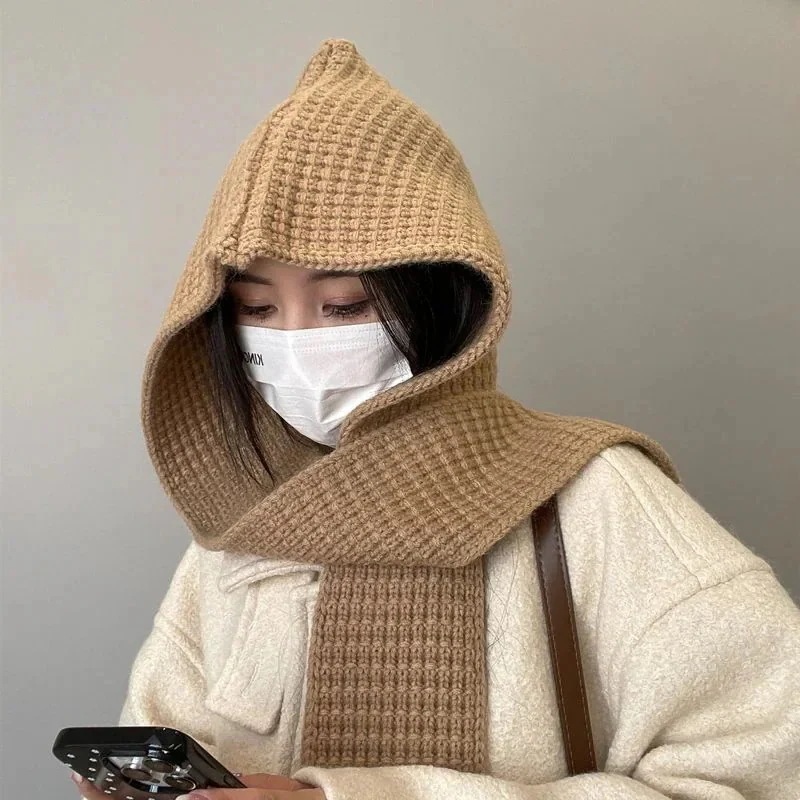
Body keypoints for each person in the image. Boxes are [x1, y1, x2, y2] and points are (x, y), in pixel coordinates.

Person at [72, 38, 800, 800]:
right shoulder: (241, 520)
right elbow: (167, 727)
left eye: (343, 305)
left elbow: (767, 771)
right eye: (256, 307)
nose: (295, 342)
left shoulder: (594, 501)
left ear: (443, 299)